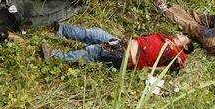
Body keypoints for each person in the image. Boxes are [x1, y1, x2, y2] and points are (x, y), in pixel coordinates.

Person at [41, 22, 193, 70]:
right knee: (95, 33)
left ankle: (54, 57)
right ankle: (62, 30)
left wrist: (178, 62)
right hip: (122, 43)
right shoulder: (165, 38)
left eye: (185, 37)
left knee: (93, 52)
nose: (181, 34)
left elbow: (176, 65)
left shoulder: (178, 54)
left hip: (124, 55)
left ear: (185, 46)